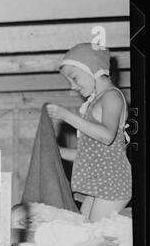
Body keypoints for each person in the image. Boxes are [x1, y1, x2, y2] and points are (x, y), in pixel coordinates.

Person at [45, 44, 132, 221]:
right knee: (82, 229)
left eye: (75, 78)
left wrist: (66, 115)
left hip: (113, 181)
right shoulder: (93, 103)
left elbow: (107, 136)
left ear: (93, 70)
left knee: (93, 235)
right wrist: (56, 151)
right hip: (100, 182)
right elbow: (89, 155)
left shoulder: (112, 96)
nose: (73, 87)